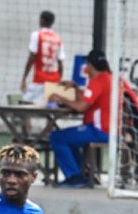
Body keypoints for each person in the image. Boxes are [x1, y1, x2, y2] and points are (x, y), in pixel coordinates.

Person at [47, 49, 112, 188]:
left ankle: (74, 177)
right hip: (111, 130)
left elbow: (81, 107)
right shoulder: (109, 78)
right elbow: (88, 99)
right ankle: (82, 173)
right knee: (70, 138)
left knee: (57, 137)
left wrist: (61, 98)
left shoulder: (97, 81)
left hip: (100, 130)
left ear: (90, 66)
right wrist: (76, 88)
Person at [20, 10, 65, 105]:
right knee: (48, 106)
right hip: (54, 80)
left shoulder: (37, 35)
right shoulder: (57, 38)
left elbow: (31, 58)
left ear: (42, 20)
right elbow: (60, 64)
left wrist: (24, 78)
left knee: (25, 104)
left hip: (40, 80)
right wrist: (59, 81)